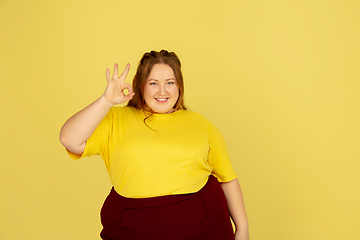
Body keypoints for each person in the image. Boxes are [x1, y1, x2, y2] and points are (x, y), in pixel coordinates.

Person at [60, 50, 249, 240]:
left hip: (202, 225)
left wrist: (242, 229)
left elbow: (227, 178)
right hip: (134, 227)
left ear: (179, 87)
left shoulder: (201, 124)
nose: (162, 91)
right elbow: (69, 139)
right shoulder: (114, 119)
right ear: (141, 86)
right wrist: (106, 101)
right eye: (153, 83)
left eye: (170, 83)